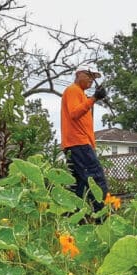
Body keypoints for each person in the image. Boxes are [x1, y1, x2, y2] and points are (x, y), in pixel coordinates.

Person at [60, 66, 109, 212]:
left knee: (78, 186)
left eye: (93, 77)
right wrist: (94, 98)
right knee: (96, 180)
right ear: (79, 74)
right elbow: (75, 113)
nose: (91, 79)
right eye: (89, 75)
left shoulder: (80, 93)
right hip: (79, 143)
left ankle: (74, 220)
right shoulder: (73, 90)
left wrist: (92, 99)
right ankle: (105, 217)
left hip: (75, 144)